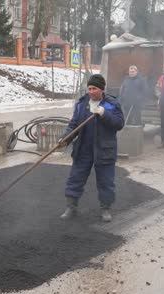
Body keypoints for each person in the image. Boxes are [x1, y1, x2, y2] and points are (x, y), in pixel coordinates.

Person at [60, 74, 124, 222]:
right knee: (76, 177)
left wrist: (104, 114)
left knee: (106, 181)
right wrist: (66, 138)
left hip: (104, 149)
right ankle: (71, 207)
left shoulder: (111, 104)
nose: (91, 91)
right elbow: (73, 124)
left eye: (94, 88)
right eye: (89, 88)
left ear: (102, 89)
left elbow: (119, 123)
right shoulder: (82, 104)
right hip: (84, 148)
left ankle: (105, 208)